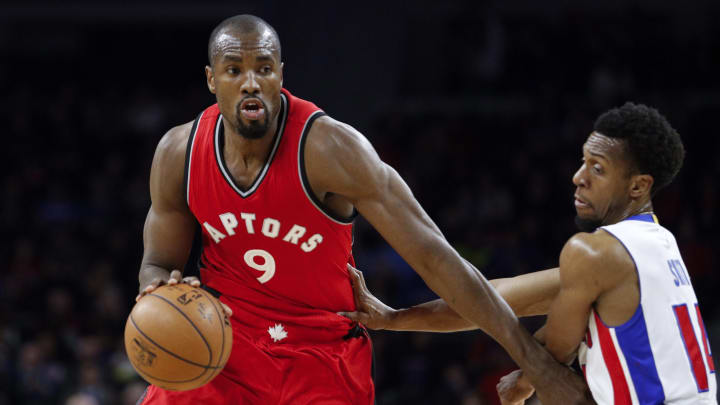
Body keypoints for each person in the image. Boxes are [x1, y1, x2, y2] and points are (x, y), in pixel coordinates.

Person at [134, 14, 590, 405]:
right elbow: (158, 262)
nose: (250, 82)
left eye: (263, 68)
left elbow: (438, 259)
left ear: (280, 75)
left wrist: (535, 365)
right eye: (234, 70)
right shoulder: (180, 152)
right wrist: (160, 289)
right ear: (213, 79)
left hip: (321, 356)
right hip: (224, 346)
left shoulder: (332, 149)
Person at [342, 103, 717, 404]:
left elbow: (553, 365)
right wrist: (395, 319)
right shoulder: (657, 244)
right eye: (583, 160)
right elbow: (493, 299)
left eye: (597, 168)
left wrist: (525, 381)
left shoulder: (595, 252)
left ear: (638, 185)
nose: (578, 176)